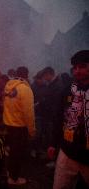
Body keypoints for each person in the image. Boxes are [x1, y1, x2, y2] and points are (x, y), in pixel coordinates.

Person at [47, 50, 89, 189]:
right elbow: (58, 117)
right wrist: (53, 143)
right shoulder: (67, 91)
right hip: (67, 151)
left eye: (82, 66)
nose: (77, 71)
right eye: (75, 68)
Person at [3, 66, 35, 185]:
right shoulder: (25, 90)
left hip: (9, 125)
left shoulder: (8, 86)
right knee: (17, 153)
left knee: (11, 152)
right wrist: (32, 131)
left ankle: (9, 172)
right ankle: (14, 178)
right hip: (19, 127)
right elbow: (29, 113)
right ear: (26, 75)